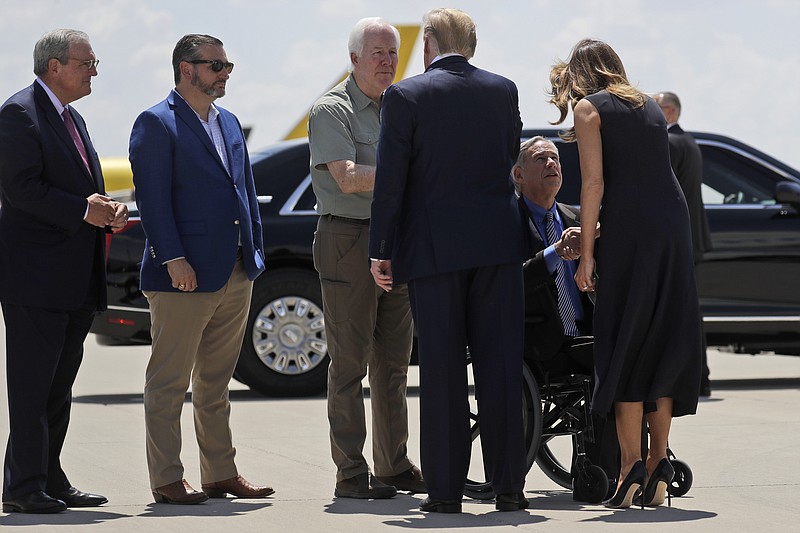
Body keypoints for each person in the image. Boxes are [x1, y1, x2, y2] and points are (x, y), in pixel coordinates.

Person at [369, 8, 529, 513]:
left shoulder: (406, 95)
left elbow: (391, 180)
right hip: (499, 247)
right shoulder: (503, 89)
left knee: (442, 372)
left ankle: (445, 493)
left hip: (434, 251)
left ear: (431, 42)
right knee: (500, 367)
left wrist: (381, 249)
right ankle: (509, 488)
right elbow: (508, 158)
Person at [548, 39, 703, 509]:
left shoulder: (589, 109)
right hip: (672, 229)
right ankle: (658, 463)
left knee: (624, 339)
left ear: (579, 74)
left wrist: (588, 254)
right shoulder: (651, 108)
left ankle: (629, 464)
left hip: (631, 230)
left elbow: (594, 183)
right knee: (660, 338)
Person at [129, 34, 272, 505]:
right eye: (216, 66)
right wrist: (173, 259)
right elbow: (152, 200)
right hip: (182, 276)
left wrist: (254, 253)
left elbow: (245, 192)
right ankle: (167, 478)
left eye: (228, 66)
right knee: (169, 382)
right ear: (186, 69)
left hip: (233, 270)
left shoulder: (228, 121)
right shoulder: (156, 122)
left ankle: (220, 473)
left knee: (215, 382)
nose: (225, 73)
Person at [0, 29, 127, 514]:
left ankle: (49, 478)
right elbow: (21, 190)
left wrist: (106, 210)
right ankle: (23, 486)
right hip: (36, 280)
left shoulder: (71, 118)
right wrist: (83, 210)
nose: (93, 71)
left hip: (73, 279)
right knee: (32, 389)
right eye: (86, 63)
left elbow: (82, 191)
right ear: (54, 66)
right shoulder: (19, 113)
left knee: (58, 388)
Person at [308, 17, 422, 499]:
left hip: (398, 241)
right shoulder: (331, 109)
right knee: (349, 363)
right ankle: (351, 472)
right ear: (353, 58)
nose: (387, 62)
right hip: (349, 241)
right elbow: (349, 178)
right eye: (377, 53)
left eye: (393, 54)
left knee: (394, 365)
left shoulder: (402, 107)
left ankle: (393, 466)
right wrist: (411, 174)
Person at [513, 137, 616, 501]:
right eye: (541, 159)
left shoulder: (576, 217)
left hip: (581, 332)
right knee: (606, 360)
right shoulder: (508, 218)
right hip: (537, 341)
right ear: (519, 175)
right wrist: (556, 253)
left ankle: (631, 463)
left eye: (555, 158)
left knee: (629, 349)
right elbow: (509, 281)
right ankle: (602, 471)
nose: (552, 164)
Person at [654, 91, 713, 397]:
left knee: (679, 313)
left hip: (679, 238)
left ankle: (690, 378)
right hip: (693, 237)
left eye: (657, 107)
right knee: (691, 310)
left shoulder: (668, 142)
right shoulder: (689, 142)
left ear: (671, 112)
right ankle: (700, 376)